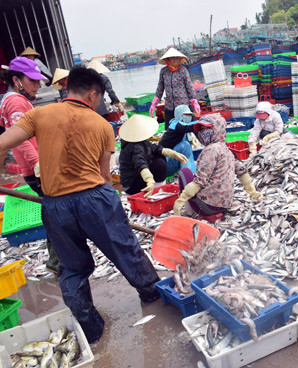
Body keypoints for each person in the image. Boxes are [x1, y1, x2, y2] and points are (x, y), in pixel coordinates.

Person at [0, 66, 161, 344]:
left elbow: (3, 142)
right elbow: (103, 176)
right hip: (94, 199)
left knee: (72, 269)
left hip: (56, 206)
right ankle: (153, 297)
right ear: (93, 93)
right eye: (98, 98)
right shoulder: (102, 125)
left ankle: (91, 330)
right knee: (126, 251)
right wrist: (112, 203)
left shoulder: (38, 114)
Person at [0, 56, 59, 273]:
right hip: (36, 169)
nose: (37, 85)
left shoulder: (9, 99)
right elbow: (21, 138)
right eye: (32, 81)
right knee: (55, 211)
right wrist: (38, 165)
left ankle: (56, 259)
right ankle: (56, 260)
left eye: (38, 81)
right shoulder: (15, 101)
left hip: (34, 167)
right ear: (16, 80)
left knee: (51, 208)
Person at [173, 114, 262, 222]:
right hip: (224, 204)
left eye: (208, 128)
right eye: (202, 129)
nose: (204, 132)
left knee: (185, 172)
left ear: (217, 129)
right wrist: (252, 192)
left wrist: (181, 200)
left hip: (207, 207)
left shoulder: (210, 150)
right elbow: (241, 171)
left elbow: (200, 181)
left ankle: (190, 210)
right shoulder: (225, 148)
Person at [118, 114, 188, 195]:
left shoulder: (140, 142)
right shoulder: (135, 147)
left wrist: (174, 154)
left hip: (135, 179)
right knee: (159, 164)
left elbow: (157, 149)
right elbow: (140, 163)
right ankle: (157, 192)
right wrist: (149, 180)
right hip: (131, 186)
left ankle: (158, 189)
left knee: (159, 158)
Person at [150, 48, 200, 125]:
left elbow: (189, 87)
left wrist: (195, 102)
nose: (174, 60)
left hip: (183, 107)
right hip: (169, 107)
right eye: (172, 58)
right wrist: (154, 104)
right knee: (170, 131)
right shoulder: (163, 71)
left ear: (179, 59)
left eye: (176, 58)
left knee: (189, 130)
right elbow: (160, 88)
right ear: (168, 59)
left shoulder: (183, 70)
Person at [158, 104, 197, 175]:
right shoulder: (177, 125)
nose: (189, 117)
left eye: (189, 115)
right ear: (180, 115)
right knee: (185, 145)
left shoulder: (177, 125)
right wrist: (200, 123)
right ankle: (189, 176)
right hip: (165, 162)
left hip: (168, 158)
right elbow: (189, 127)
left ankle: (188, 173)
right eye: (186, 115)